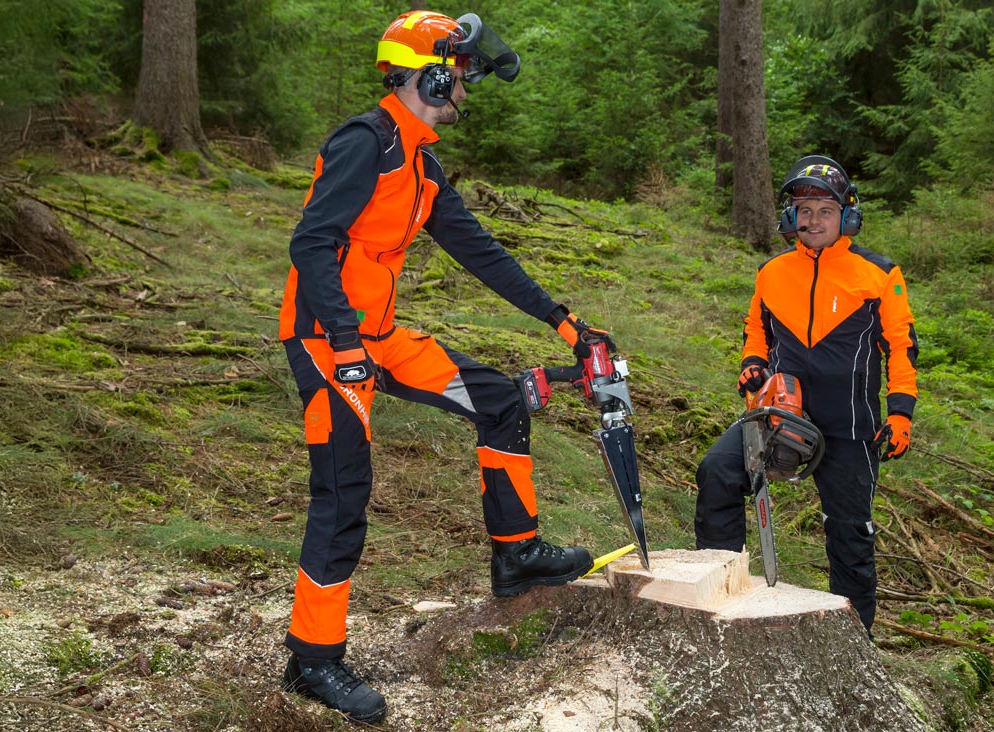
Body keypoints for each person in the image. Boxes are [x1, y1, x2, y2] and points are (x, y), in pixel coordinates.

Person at [274, 10, 613, 723]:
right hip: (326, 341)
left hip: (379, 337)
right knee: (343, 496)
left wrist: (563, 321)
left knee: (498, 400)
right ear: (430, 74)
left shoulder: (421, 163)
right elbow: (312, 244)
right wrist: (343, 344)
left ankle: (516, 553)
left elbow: (480, 251)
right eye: (461, 76)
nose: (467, 89)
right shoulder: (366, 142)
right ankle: (313, 658)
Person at [693, 155, 919, 632]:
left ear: (846, 216)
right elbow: (757, 329)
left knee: (849, 532)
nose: (813, 220)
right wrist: (752, 363)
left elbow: (902, 346)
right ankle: (715, 596)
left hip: (850, 423)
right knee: (717, 470)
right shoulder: (772, 272)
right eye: (804, 210)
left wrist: (900, 413)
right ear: (790, 216)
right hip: (780, 411)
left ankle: (855, 638)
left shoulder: (878, 274)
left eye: (824, 210)